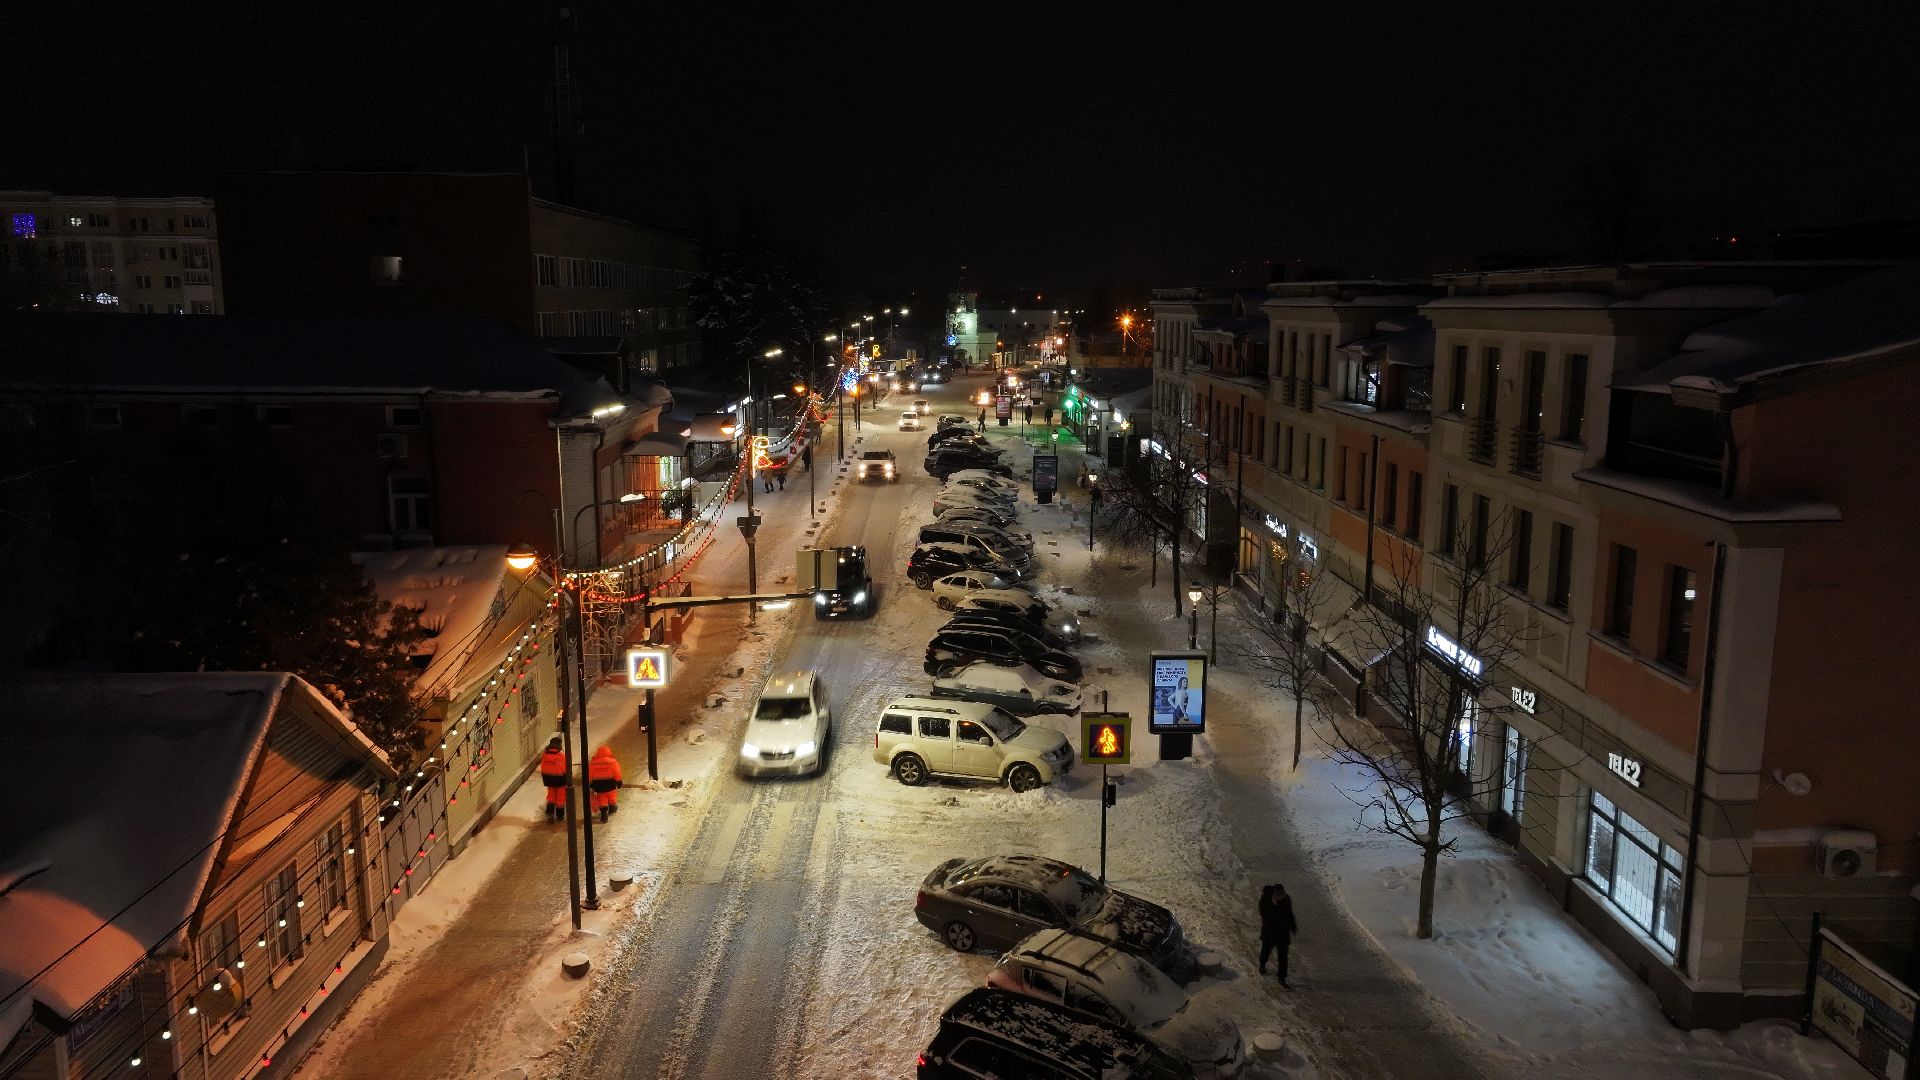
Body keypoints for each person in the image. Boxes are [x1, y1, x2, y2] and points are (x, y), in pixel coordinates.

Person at [1259, 883, 1299, 987]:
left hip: (1283, 933)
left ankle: (1281, 977)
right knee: (1266, 950)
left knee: (1283, 956)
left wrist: (1293, 926)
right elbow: (1263, 914)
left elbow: (1289, 913)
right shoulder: (1265, 899)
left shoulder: (1286, 899)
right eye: (1280, 896)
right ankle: (1262, 963)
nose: (1282, 898)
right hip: (1270, 932)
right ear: (1274, 895)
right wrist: (1273, 905)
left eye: (1283, 895)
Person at [588, 745, 623, 823]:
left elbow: (590, 774)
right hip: (611, 784)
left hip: (599, 785)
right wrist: (619, 782)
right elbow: (617, 773)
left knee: (602, 799)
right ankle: (612, 808)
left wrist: (591, 783)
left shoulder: (593, 763)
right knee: (612, 797)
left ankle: (604, 815)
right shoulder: (613, 762)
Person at [539, 737, 568, 822]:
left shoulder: (545, 755)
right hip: (560, 779)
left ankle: (550, 814)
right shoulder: (561, 756)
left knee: (551, 796)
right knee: (560, 798)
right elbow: (565, 768)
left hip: (548, 779)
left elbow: (543, 766)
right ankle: (560, 816)